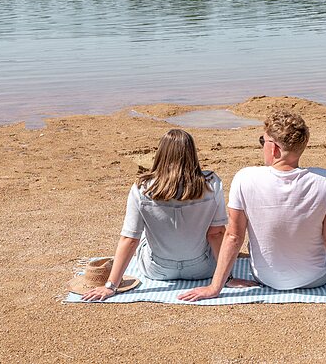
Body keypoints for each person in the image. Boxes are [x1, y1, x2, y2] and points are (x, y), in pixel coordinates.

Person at [179, 110, 326, 302]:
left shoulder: (245, 178)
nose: (262, 146)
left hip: (266, 277)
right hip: (315, 277)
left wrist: (215, 288)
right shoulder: (325, 180)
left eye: (262, 141)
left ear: (274, 148)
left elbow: (234, 236)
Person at [81, 128, 252, 300]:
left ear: (160, 154)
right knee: (207, 230)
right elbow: (216, 234)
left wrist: (111, 286)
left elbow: (130, 239)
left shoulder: (142, 187)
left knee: (142, 236)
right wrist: (227, 278)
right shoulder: (211, 184)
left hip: (157, 270)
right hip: (203, 269)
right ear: (192, 154)